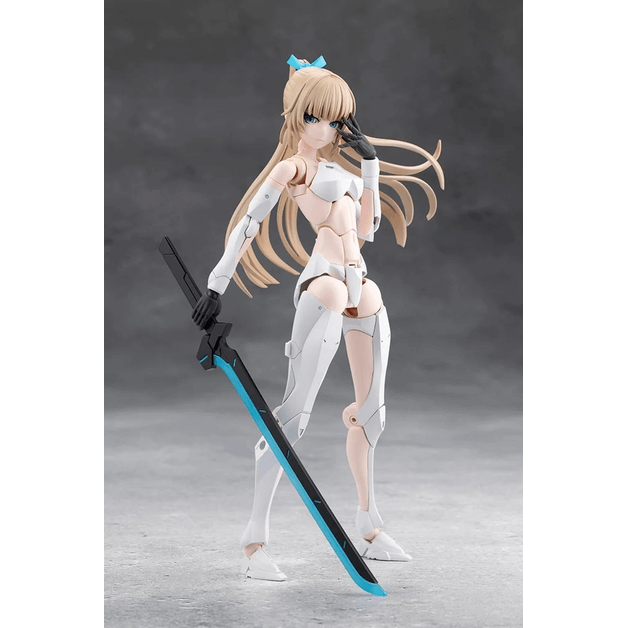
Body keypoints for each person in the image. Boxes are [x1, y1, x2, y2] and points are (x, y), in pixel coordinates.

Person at [192, 55, 444, 581]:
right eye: (315, 117)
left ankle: (369, 526)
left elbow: (368, 229)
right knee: (293, 418)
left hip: (361, 283)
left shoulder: (345, 172)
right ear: (295, 116)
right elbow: (250, 222)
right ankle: (255, 542)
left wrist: (370, 166)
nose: (326, 129)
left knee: (372, 412)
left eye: (334, 119)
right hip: (324, 282)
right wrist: (217, 284)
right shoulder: (295, 169)